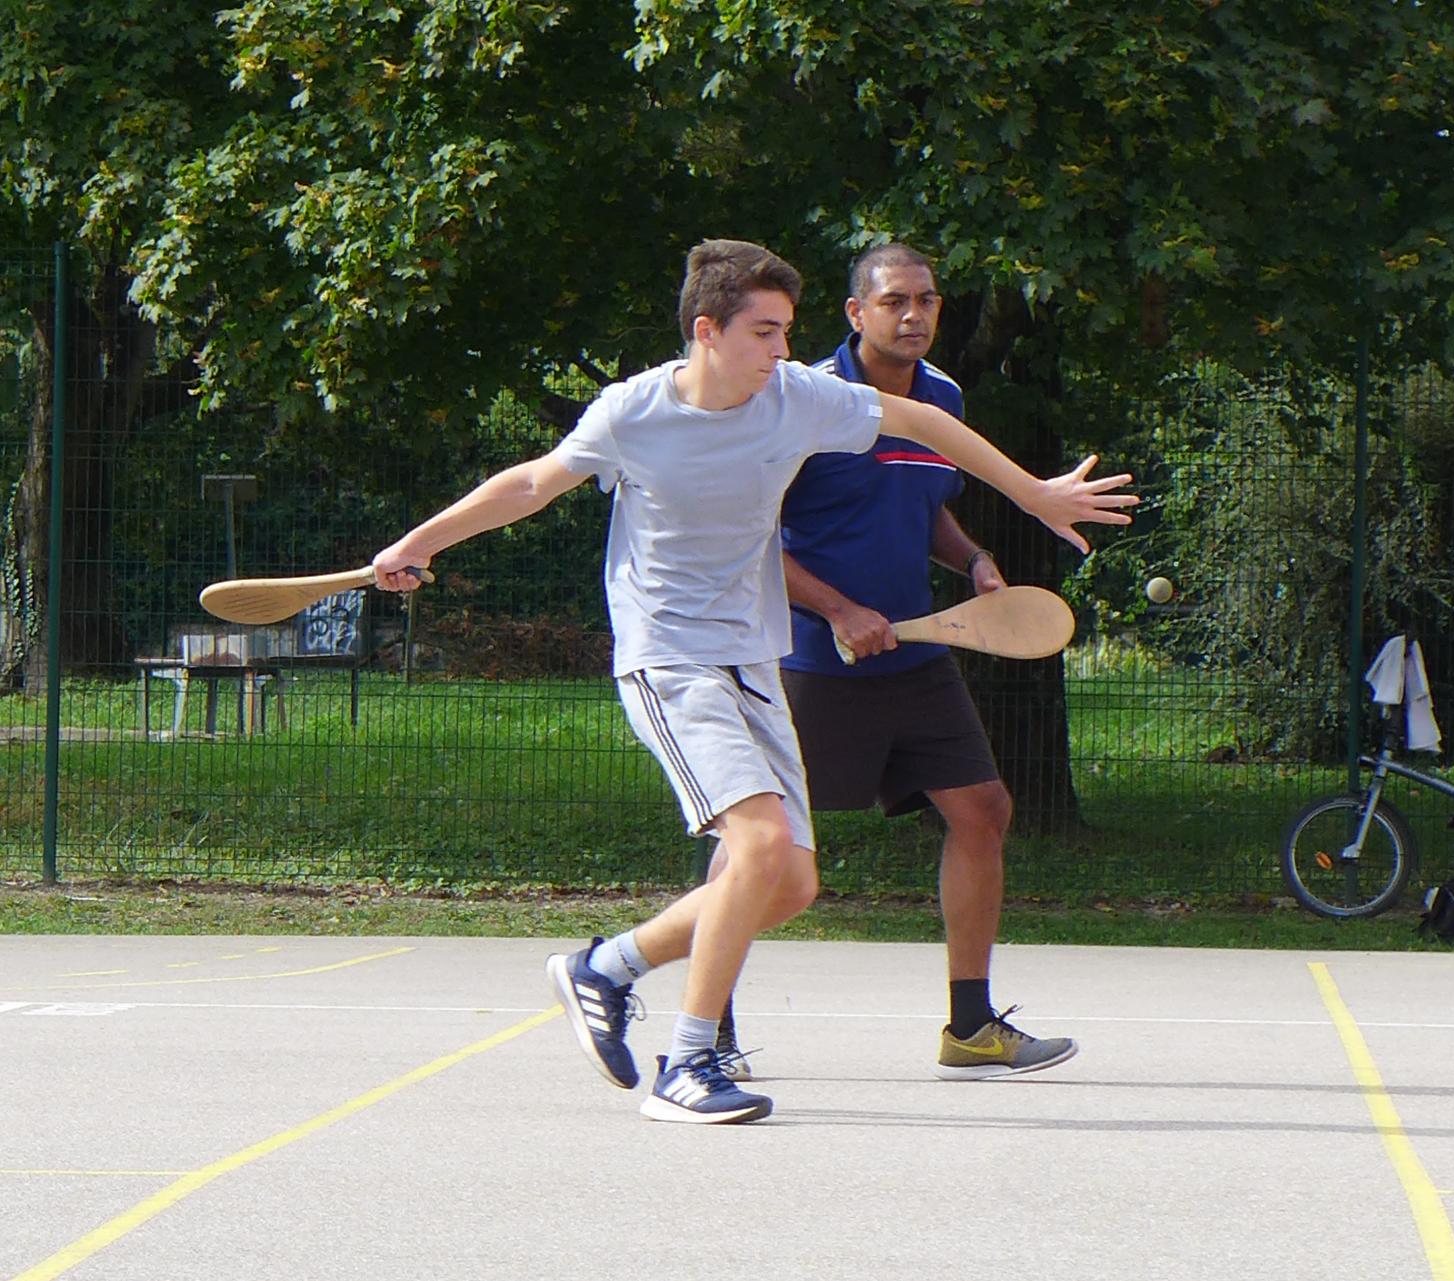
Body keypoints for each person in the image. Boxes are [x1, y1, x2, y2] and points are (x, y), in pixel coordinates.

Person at [370, 239, 1134, 1122]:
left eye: (787, 332)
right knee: (759, 846)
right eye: (765, 332)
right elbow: (532, 483)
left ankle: (605, 967)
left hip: (751, 656)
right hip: (669, 654)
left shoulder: (796, 400)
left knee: (792, 884)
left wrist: (1031, 491)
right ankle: (688, 1064)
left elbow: (921, 423)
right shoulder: (635, 412)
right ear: (707, 330)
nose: (782, 350)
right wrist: (419, 542)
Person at [709, 243, 1074, 1083]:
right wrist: (838, 609)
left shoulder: (941, 397)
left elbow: (927, 508)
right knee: (758, 840)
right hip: (810, 658)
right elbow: (755, 537)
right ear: (854, 313)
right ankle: (710, 1022)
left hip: (917, 655)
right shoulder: (797, 401)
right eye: (895, 301)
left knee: (983, 809)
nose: (913, 315)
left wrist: (975, 561)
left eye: (927, 301)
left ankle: (972, 1025)